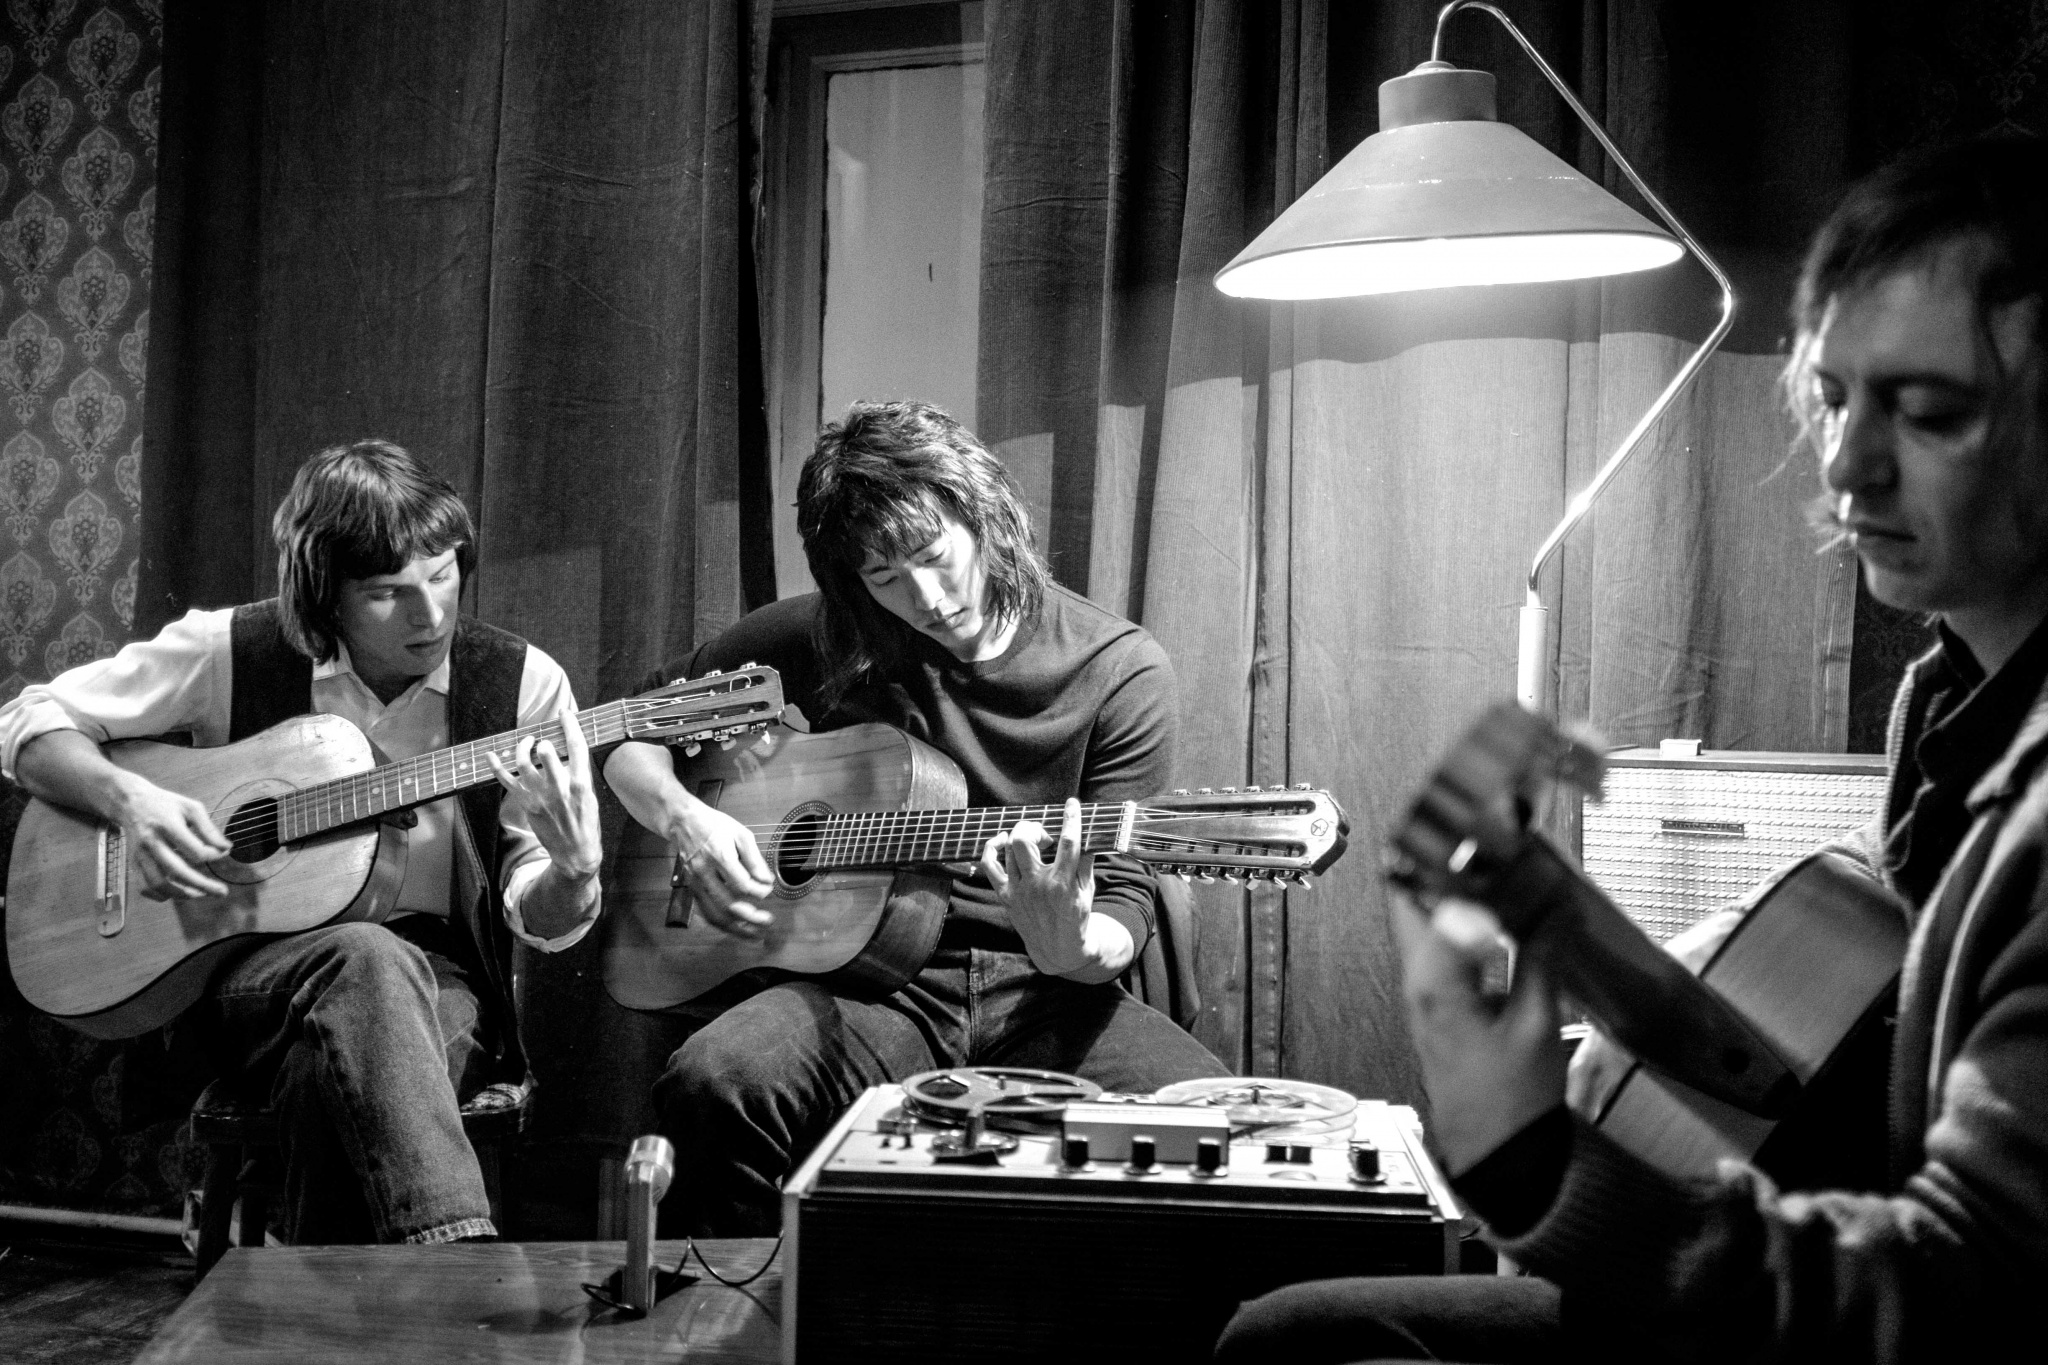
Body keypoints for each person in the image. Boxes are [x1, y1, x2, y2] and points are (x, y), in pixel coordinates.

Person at [1217, 133, 2048, 1362]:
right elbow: (1813, 1080)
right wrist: (1550, 916)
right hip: (1796, 1265)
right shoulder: (1949, 702)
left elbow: (1950, 1306)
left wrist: (1535, 1166)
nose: (1843, 463)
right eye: (1830, 399)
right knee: (1289, 1335)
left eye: (1926, 413)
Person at [602, 399, 1227, 1235]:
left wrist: (1073, 943)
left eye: (935, 556)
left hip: (1048, 995)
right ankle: (760, 1309)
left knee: (1215, 1136)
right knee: (714, 1081)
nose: (926, 597)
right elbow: (631, 735)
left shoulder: (1119, 670)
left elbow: (1124, 900)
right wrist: (687, 818)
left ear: (985, 515)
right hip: (876, 991)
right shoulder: (833, 636)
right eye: (885, 577)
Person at [0, 439, 604, 1245]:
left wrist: (575, 869)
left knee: (330, 1065)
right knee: (364, 958)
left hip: (439, 985)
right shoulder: (231, 650)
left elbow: (538, 907)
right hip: (253, 982)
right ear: (326, 598)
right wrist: (132, 801)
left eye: (442, 575)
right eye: (387, 593)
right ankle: (457, 1276)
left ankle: (316, 1281)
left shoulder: (522, 685)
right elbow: (27, 722)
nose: (430, 615)